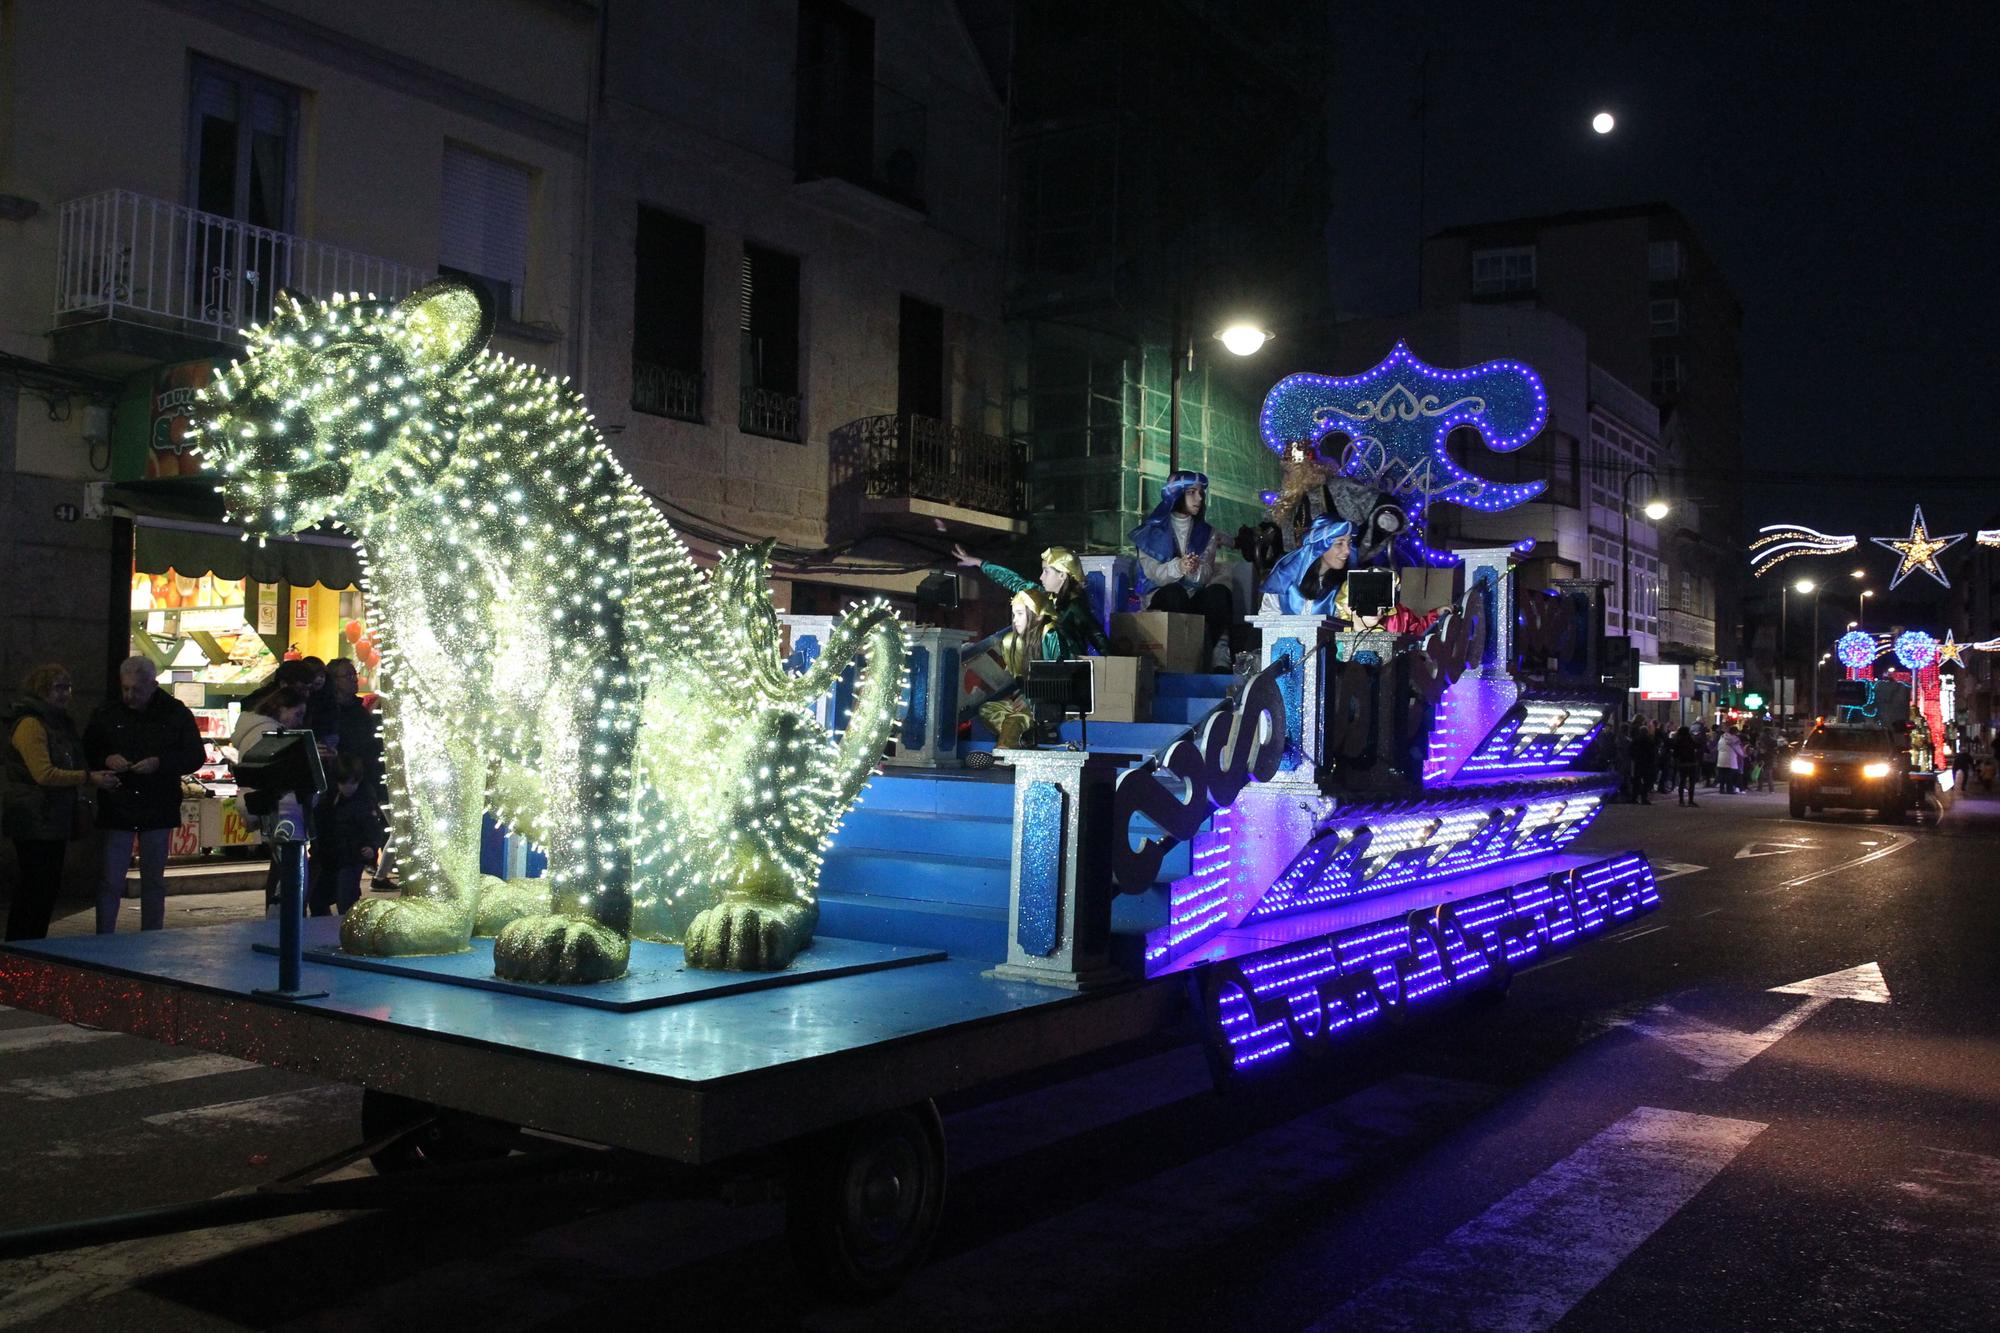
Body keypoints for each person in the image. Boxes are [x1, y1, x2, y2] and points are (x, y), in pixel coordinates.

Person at [84, 656, 205, 933]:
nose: (129, 695)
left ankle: (151, 934)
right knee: (111, 878)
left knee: (153, 879)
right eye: (125, 688)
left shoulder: (174, 713)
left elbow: (194, 755)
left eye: (136, 689)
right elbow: (90, 747)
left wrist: (160, 763)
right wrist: (107, 757)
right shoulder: (108, 712)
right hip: (120, 802)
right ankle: (105, 934)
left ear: (153, 685)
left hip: (156, 802)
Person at [4, 665, 121, 941]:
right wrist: (88, 778)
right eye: (58, 687)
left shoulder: (58, 723)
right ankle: (22, 945)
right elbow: (43, 773)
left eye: (68, 687)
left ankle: (31, 944)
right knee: (35, 887)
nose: (66, 694)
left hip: (50, 816)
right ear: (41, 689)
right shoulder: (31, 724)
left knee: (45, 887)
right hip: (35, 817)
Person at [1129, 470, 1236, 670]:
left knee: (1219, 594)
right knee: (1173, 593)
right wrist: (1179, 566)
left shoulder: (1207, 533)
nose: (1199, 498)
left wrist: (1193, 569)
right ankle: (1176, 658)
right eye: (1192, 492)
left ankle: (1218, 656)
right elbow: (1154, 573)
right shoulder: (1150, 532)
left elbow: (1204, 575)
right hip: (1164, 597)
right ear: (1177, 494)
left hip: (1194, 595)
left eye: (1201, 493)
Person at [952, 543, 1109, 662]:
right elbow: (1014, 581)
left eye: (1046, 572)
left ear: (1062, 575)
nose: (1041, 577)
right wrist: (980, 563)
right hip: (1042, 670)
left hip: (1065, 677)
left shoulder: (1075, 606)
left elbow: (1097, 636)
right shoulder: (1045, 596)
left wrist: (1116, 667)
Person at [974, 588, 1062, 752]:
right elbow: (1018, 678)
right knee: (987, 709)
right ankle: (1024, 738)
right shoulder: (1012, 642)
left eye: (1020, 614)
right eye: (1014, 615)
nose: (1015, 620)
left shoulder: (1050, 635)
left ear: (1038, 615)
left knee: (1016, 718)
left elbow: (1060, 676)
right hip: (1028, 700)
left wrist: (1032, 696)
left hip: (1051, 702)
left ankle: (1004, 752)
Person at [308, 754, 386, 916]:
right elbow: (322, 822)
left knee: (345, 900)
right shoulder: (330, 798)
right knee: (318, 900)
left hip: (351, 855)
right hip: (332, 855)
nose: (347, 787)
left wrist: (370, 846)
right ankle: (328, 932)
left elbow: (372, 827)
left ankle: (345, 932)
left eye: (352, 783)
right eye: (343, 783)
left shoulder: (363, 800)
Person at [1260, 516, 1357, 619]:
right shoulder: (1284, 577)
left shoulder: (1344, 586)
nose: (1347, 551)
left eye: (1349, 543)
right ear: (1319, 545)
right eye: (1339, 543)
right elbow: (1267, 617)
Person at [1671, 725, 1701, 806]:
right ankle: (1690, 800)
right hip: (1691, 762)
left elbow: (1675, 753)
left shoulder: (1678, 740)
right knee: (1691, 782)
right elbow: (1698, 745)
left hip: (1682, 763)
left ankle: (1681, 801)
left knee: (1682, 782)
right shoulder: (1690, 739)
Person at [1629, 718, 1657, 805]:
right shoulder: (1649, 740)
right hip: (1647, 763)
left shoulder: (1636, 740)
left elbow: (1631, 750)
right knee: (1646, 781)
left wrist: (1634, 758)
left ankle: (1634, 798)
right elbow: (1652, 752)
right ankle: (1644, 798)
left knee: (1636, 781)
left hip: (1638, 762)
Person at [1716, 723, 1745, 794]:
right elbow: (1738, 749)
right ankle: (1730, 790)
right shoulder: (1735, 739)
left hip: (1721, 759)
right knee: (1729, 776)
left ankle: (1721, 790)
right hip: (1730, 760)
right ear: (1735, 732)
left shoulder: (1722, 738)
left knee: (1722, 775)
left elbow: (1718, 748)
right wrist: (1743, 755)